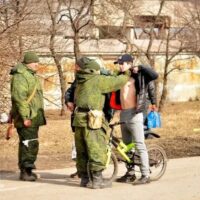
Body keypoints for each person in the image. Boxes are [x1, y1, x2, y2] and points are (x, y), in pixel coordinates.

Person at [72, 57, 131, 189]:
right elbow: (118, 82)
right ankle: (97, 181)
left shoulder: (81, 79)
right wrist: (127, 73)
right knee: (96, 148)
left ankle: (85, 179)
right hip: (92, 119)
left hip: (79, 119)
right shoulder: (97, 80)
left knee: (82, 150)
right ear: (93, 70)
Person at [114, 54, 158, 185]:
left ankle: (145, 175)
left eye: (122, 63)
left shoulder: (140, 75)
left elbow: (154, 75)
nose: (120, 65)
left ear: (129, 63)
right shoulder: (120, 77)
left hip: (135, 113)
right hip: (123, 114)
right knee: (127, 147)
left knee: (139, 145)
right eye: (119, 63)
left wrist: (141, 67)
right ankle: (130, 173)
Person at [10, 51, 46, 181]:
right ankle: (26, 171)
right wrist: (25, 117)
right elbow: (19, 98)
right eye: (34, 62)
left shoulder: (30, 75)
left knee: (29, 142)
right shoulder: (21, 76)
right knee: (29, 143)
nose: (37, 64)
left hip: (32, 116)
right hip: (27, 117)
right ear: (28, 63)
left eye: (37, 62)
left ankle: (27, 170)